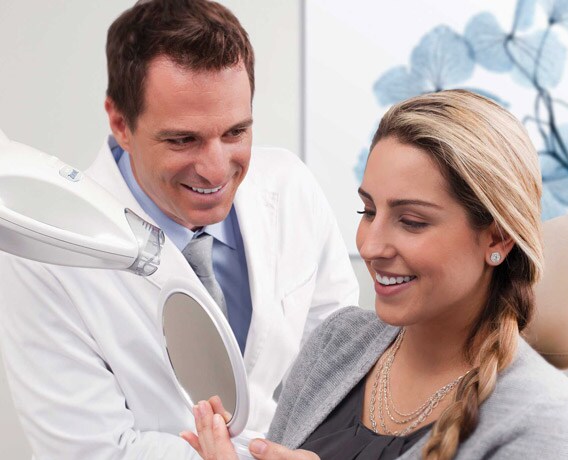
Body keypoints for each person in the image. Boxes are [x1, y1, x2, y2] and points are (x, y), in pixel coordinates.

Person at [0, 1, 358, 458]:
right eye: (182, 139)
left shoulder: (291, 188)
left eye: (235, 133)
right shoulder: (44, 251)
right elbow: (92, 450)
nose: (214, 170)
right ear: (120, 123)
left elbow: (338, 372)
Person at [184, 90, 568, 460]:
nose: (371, 246)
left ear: (498, 238)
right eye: (368, 211)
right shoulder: (336, 342)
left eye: (412, 221)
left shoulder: (544, 418)